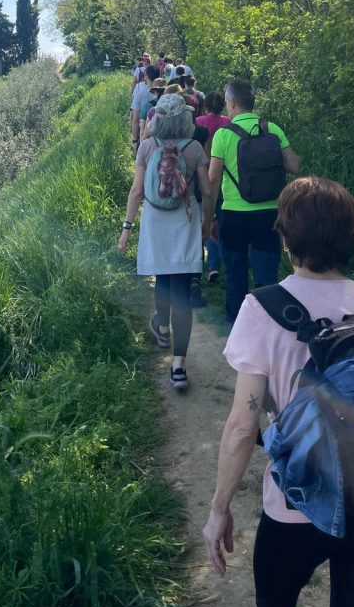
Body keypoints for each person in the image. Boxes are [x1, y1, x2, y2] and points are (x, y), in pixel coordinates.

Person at [203, 177, 354, 607]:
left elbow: (243, 426)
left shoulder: (262, 308)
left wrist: (219, 508)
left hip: (294, 504)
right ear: (351, 237)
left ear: (286, 239)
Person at [118, 93, 212, 389]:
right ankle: (179, 367)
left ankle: (161, 325)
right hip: (185, 219)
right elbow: (207, 191)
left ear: (157, 117)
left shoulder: (147, 147)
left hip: (155, 221)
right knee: (182, 288)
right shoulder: (194, 147)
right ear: (185, 118)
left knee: (162, 277)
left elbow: (136, 191)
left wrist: (126, 229)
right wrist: (207, 222)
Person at [209, 78, 301, 323]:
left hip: (233, 215)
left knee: (235, 275)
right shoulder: (272, 129)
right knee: (266, 275)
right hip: (269, 213)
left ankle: (236, 324)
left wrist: (209, 218)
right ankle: (268, 325)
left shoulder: (223, 135)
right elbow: (294, 165)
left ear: (231, 103)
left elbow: (213, 179)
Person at [196, 91, 231, 284]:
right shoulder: (228, 122)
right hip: (224, 176)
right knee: (220, 221)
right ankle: (217, 263)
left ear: (206, 106)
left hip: (202, 175)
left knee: (203, 219)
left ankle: (200, 264)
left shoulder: (199, 122)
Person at [130, 64, 159, 154]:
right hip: (160, 136)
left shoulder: (139, 88)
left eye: (145, 75)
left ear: (147, 76)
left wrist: (135, 141)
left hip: (143, 133)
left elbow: (135, 118)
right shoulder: (163, 89)